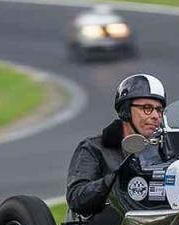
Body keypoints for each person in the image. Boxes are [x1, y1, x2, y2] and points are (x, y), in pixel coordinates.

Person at [66, 73, 166, 216]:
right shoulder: (93, 148)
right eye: (147, 108)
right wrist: (116, 180)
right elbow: (76, 198)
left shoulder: (165, 149)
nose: (156, 116)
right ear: (125, 111)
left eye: (159, 110)